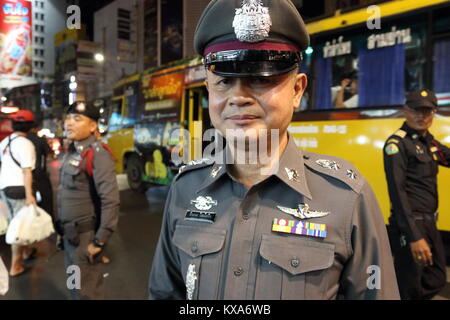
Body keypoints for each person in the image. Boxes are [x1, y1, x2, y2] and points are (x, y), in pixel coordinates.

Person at [149, 0, 399, 300]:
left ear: (297, 90)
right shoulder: (185, 188)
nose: (238, 97)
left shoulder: (347, 197)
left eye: (260, 78)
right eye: (225, 81)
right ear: (209, 91)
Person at [384, 89, 450, 300]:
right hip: (410, 225)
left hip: (429, 223)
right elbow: (398, 193)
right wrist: (414, 237)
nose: (421, 116)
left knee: (437, 277)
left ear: (433, 113)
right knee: (409, 285)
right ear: (406, 111)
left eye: (427, 111)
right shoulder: (397, 144)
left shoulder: (428, 143)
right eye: (416, 110)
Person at [56, 101, 119, 300]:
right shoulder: (72, 153)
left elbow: (110, 200)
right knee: (74, 286)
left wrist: (100, 240)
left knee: (87, 293)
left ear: (93, 126)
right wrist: (61, 231)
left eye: (77, 119)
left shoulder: (98, 154)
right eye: (68, 118)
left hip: (85, 238)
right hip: (69, 235)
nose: (69, 123)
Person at [0, 110, 37, 276]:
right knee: (19, 226)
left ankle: (26, 251)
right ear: (30, 126)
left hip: (4, 188)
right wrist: (30, 195)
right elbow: (27, 171)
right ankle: (16, 265)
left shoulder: (4, 142)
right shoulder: (26, 144)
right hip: (18, 189)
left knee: (14, 222)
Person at [27, 123, 54, 220]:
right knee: (47, 202)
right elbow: (50, 155)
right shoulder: (40, 139)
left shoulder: (21, 140)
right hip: (39, 175)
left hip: (23, 178)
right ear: (37, 128)